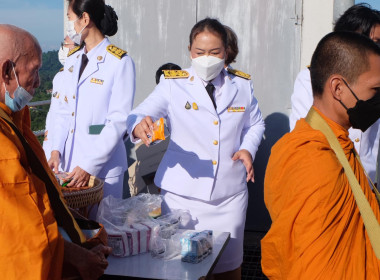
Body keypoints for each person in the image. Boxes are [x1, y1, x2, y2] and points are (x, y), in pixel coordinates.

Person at [127, 18, 265, 279]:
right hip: (182, 198)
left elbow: (255, 124)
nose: (206, 58)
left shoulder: (242, 85)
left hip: (229, 196)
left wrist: (248, 149)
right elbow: (139, 114)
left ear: (226, 52)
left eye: (214, 52)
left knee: (228, 267)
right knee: (180, 268)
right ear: (189, 50)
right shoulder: (173, 83)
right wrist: (138, 126)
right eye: (199, 52)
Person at [261, 31, 380, 279]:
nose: (377, 98)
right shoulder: (312, 158)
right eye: (375, 89)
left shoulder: (336, 142)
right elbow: (315, 268)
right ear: (338, 88)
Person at [0, 24, 111, 280]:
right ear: (8, 71)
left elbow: (40, 197)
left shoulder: (13, 118)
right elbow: (23, 231)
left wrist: (80, 234)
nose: (39, 82)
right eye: (34, 71)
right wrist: (76, 256)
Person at [49, 0, 135, 199]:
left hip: (103, 169)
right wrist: (55, 151)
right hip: (69, 165)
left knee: (102, 227)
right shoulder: (73, 59)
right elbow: (63, 111)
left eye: (70, 19)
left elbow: (118, 121)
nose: (70, 25)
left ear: (85, 19)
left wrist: (89, 165)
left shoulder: (119, 62)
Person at [289, 4, 380, 183]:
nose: (372, 48)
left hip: (366, 183)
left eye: (377, 42)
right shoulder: (310, 78)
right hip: (328, 180)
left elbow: (373, 140)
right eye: (364, 40)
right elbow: (303, 133)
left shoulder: (376, 85)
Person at [43, 36, 76, 161]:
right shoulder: (59, 76)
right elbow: (53, 114)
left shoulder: (79, 76)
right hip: (52, 149)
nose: (62, 48)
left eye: (66, 44)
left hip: (68, 151)